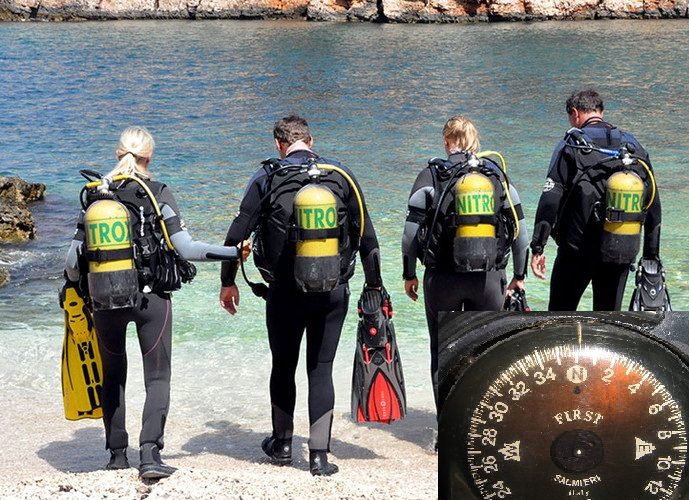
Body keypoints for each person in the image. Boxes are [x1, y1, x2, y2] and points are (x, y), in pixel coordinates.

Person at [64, 126, 246, 479]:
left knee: (112, 375)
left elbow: (72, 263)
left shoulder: (96, 198)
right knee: (158, 377)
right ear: (149, 157)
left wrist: (79, 289)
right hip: (151, 300)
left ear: (118, 154)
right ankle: (149, 454)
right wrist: (233, 252)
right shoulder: (158, 192)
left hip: (105, 300)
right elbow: (186, 249)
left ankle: (117, 456)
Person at [219, 115, 383, 476]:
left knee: (283, 366)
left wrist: (227, 281)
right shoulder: (340, 176)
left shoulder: (267, 176)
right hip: (332, 292)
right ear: (311, 141)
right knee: (321, 369)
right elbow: (368, 239)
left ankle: (281, 445)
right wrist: (375, 287)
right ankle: (319, 456)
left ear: (279, 144)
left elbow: (237, 234)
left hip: (284, 293)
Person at [401, 115, 529, 408]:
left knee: (442, 352)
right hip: (488, 279)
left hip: (442, 279)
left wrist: (409, 274)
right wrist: (519, 276)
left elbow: (409, 236)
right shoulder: (495, 175)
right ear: (474, 141)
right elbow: (520, 234)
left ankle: (446, 422)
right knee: (485, 351)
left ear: (446, 142)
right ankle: (479, 417)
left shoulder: (431, 176)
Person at [530, 89, 662, 311]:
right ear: (600, 111)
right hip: (620, 249)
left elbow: (551, 197)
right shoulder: (633, 146)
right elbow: (653, 206)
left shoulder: (572, 144)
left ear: (575, 113)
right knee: (608, 320)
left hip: (576, 251)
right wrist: (651, 256)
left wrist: (538, 246)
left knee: (560, 317)